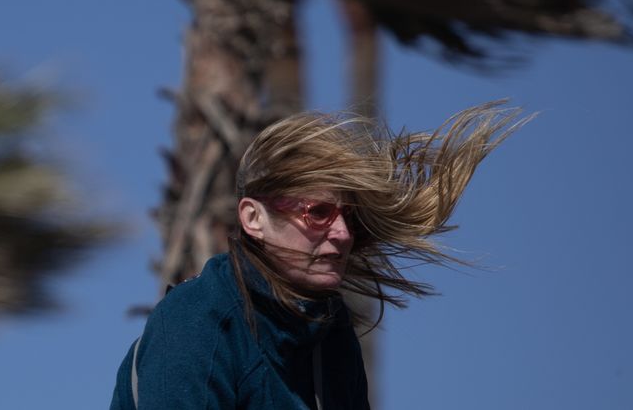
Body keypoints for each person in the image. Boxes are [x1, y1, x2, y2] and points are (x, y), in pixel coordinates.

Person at [110, 102, 526, 409]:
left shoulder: (329, 335)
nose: (342, 234)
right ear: (253, 219)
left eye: (350, 216)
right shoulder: (198, 321)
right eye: (319, 213)